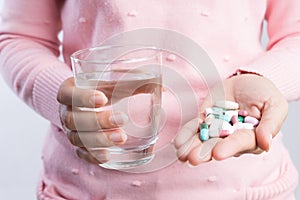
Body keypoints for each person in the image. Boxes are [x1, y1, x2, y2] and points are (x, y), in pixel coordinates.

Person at [0, 0, 300, 199]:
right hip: (86, 188)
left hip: (244, 185)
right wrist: (63, 98)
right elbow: (21, 37)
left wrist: (264, 79)